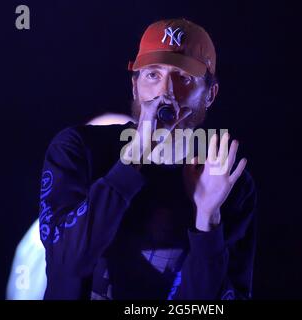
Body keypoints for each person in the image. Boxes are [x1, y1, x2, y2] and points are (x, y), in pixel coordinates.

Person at [39, 18, 257, 300]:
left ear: (210, 95)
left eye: (184, 78)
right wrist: (134, 156)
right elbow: (67, 263)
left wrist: (207, 218)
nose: (166, 91)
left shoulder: (229, 183)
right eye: (153, 74)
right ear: (135, 87)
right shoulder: (77, 151)